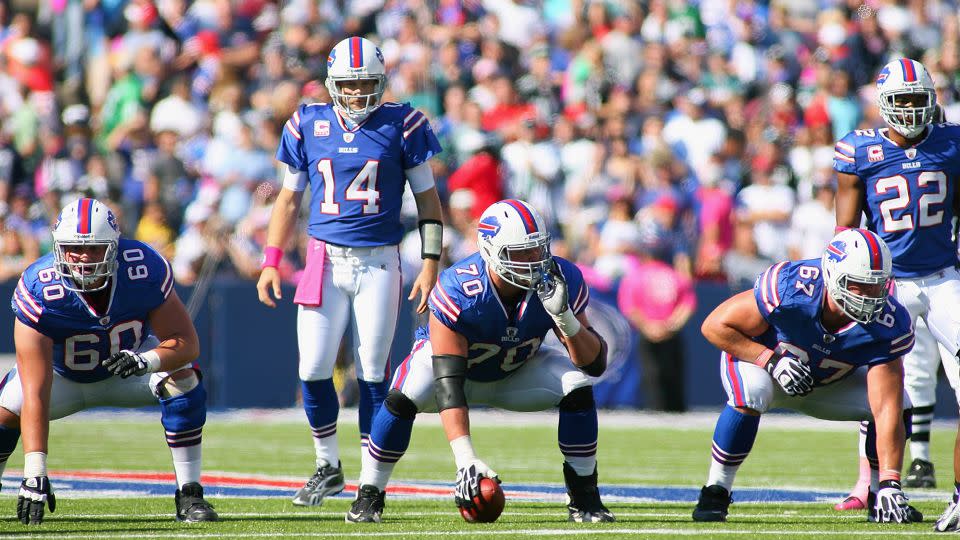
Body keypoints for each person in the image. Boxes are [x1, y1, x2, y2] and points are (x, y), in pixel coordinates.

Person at [255, 35, 444, 508]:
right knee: (314, 368)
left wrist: (431, 261)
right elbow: (288, 199)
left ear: (381, 83)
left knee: (374, 372)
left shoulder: (404, 124)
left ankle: (370, 482)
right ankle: (327, 465)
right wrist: (271, 261)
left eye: (366, 85)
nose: (358, 94)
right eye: (350, 85)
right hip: (322, 257)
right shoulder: (307, 122)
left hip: (379, 259)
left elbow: (428, 201)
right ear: (331, 85)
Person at [345, 199, 614, 524]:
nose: (535, 261)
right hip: (450, 376)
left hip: (514, 374)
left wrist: (565, 318)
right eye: (521, 253)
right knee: (407, 393)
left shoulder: (561, 277)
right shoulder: (460, 289)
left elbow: (594, 364)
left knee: (576, 384)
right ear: (491, 252)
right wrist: (466, 459)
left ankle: (585, 500)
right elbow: (448, 384)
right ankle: (370, 493)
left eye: (538, 249)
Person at [3, 198, 217, 524]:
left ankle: (189, 494)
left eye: (94, 249)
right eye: (74, 249)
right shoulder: (39, 286)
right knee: (5, 409)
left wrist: (145, 361)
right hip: (62, 379)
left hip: (127, 370)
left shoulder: (142, 267)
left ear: (114, 248)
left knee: (185, 379)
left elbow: (187, 344)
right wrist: (35, 471)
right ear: (58, 247)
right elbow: (35, 388)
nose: (84, 259)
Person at [692, 229, 917, 524]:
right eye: (858, 286)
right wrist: (769, 360)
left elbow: (886, 405)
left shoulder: (888, 322)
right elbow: (716, 326)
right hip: (764, 368)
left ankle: (880, 495)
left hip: (825, 383)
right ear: (833, 275)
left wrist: (892, 480)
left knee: (901, 406)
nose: (868, 296)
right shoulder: (792, 287)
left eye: (875, 287)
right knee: (752, 393)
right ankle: (716, 491)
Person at [832, 58, 960, 528]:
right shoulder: (857, 152)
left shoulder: (953, 142)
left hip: (946, 277)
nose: (909, 108)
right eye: (901, 100)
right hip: (889, 284)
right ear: (884, 103)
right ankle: (876, 486)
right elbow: (845, 232)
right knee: (885, 389)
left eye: (916, 99)